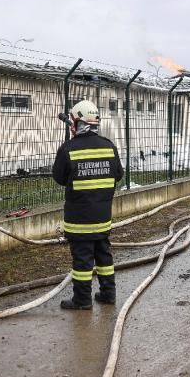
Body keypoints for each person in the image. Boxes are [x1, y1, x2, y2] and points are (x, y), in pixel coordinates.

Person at [52, 100, 123, 309]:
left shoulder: (68, 149)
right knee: (104, 256)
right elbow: (118, 174)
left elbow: (59, 177)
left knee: (82, 262)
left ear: (77, 122)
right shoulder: (109, 146)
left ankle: (82, 300)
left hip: (80, 219)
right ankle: (108, 293)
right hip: (102, 218)